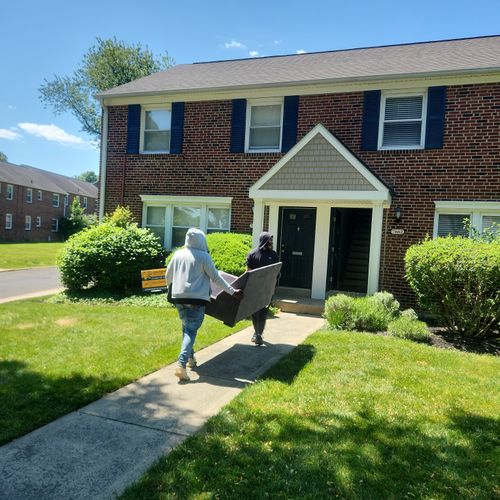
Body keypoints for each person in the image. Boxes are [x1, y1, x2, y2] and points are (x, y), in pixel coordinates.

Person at [166, 228, 243, 382]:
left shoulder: (178, 254)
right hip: (196, 299)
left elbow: (168, 275)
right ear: (201, 240)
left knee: (187, 327)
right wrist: (233, 291)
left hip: (178, 298)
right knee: (191, 330)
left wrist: (170, 290)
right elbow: (216, 278)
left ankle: (191, 359)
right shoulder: (203, 256)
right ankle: (181, 365)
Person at [246, 231, 279, 345]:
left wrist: (273, 286)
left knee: (263, 311)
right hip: (255, 289)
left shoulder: (273, 255)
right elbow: (248, 272)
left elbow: (276, 272)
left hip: (267, 289)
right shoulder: (252, 254)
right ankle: (257, 333)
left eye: (271, 240)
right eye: (269, 240)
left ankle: (259, 333)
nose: (271, 242)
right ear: (264, 241)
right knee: (255, 312)